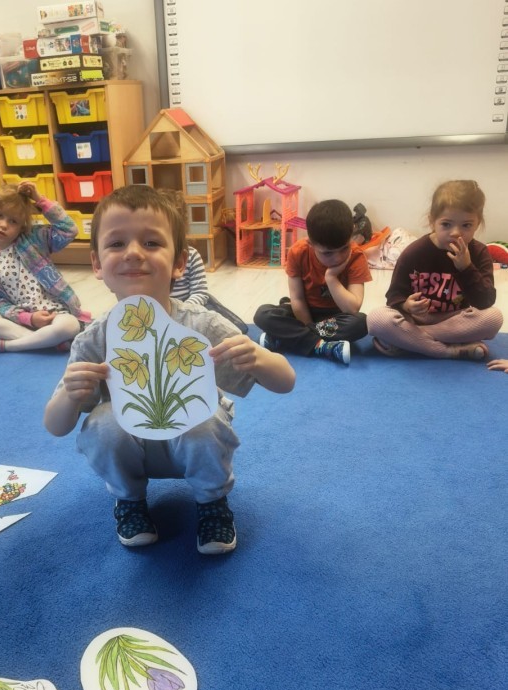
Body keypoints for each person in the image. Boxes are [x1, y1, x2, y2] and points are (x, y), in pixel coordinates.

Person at [43, 184, 296, 554]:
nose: (133, 253)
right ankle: (129, 500)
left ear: (180, 262)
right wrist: (70, 393)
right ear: (96, 264)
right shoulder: (95, 338)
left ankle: (212, 501)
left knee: (203, 415)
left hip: (194, 442)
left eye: (151, 243)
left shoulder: (201, 325)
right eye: (117, 243)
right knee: (102, 423)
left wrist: (258, 357)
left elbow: (286, 381)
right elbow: (55, 425)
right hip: (132, 446)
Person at [367, 180, 503, 359]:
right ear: (432, 221)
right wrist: (406, 305)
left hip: (455, 319)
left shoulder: (479, 253)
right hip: (417, 319)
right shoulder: (414, 252)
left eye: (466, 225)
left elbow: (485, 301)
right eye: (446, 224)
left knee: (494, 318)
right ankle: (447, 351)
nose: (456, 232)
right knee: (376, 319)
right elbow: (394, 295)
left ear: (477, 224)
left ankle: (410, 341)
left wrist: (466, 268)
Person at [0, 181, 89, 354]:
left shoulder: (33, 239)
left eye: (13, 221)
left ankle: (8, 345)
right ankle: (45, 341)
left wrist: (39, 199)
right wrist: (29, 318)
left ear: (22, 226)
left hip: (54, 315)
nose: (4, 224)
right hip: (19, 321)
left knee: (70, 325)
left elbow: (69, 230)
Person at [253, 199, 372, 365]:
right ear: (311, 244)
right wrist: (307, 324)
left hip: (335, 317)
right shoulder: (298, 252)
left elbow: (352, 308)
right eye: (328, 253)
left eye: (344, 248)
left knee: (360, 323)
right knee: (263, 314)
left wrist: (331, 278)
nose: (338, 258)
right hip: (303, 312)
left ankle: (285, 338)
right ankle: (321, 346)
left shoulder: (357, 256)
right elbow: (297, 299)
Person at [160, 189, 249, 333]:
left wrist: (183, 312)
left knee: (224, 328)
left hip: (189, 308)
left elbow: (200, 292)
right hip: (161, 312)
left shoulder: (191, 255)